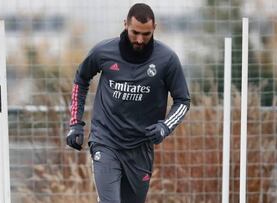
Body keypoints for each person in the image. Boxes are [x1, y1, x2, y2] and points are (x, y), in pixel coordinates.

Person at [66, 3, 190, 203]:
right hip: (106, 140)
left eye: (146, 34)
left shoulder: (167, 60)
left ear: (154, 28)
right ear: (125, 25)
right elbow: (80, 80)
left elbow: (183, 101)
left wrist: (165, 127)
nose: (140, 40)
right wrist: (75, 123)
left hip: (140, 147)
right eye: (135, 33)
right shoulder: (103, 51)